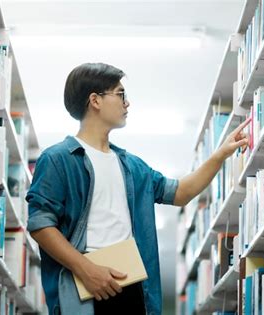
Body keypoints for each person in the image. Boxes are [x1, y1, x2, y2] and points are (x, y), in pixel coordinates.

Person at [25, 63, 249, 315]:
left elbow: (181, 192)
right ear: (95, 100)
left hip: (133, 288)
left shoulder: (132, 166)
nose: (127, 103)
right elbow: (41, 225)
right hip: (86, 286)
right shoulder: (57, 159)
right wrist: (85, 269)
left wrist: (221, 154)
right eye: (120, 94)